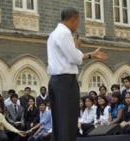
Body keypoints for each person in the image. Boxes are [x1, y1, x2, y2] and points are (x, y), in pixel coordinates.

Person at [47, 6, 108, 141]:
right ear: (73, 20)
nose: (77, 25)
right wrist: (77, 47)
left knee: (59, 121)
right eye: (78, 21)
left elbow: (70, 57)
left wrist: (91, 54)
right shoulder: (64, 34)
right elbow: (74, 58)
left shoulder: (53, 34)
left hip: (56, 81)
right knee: (68, 121)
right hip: (65, 81)